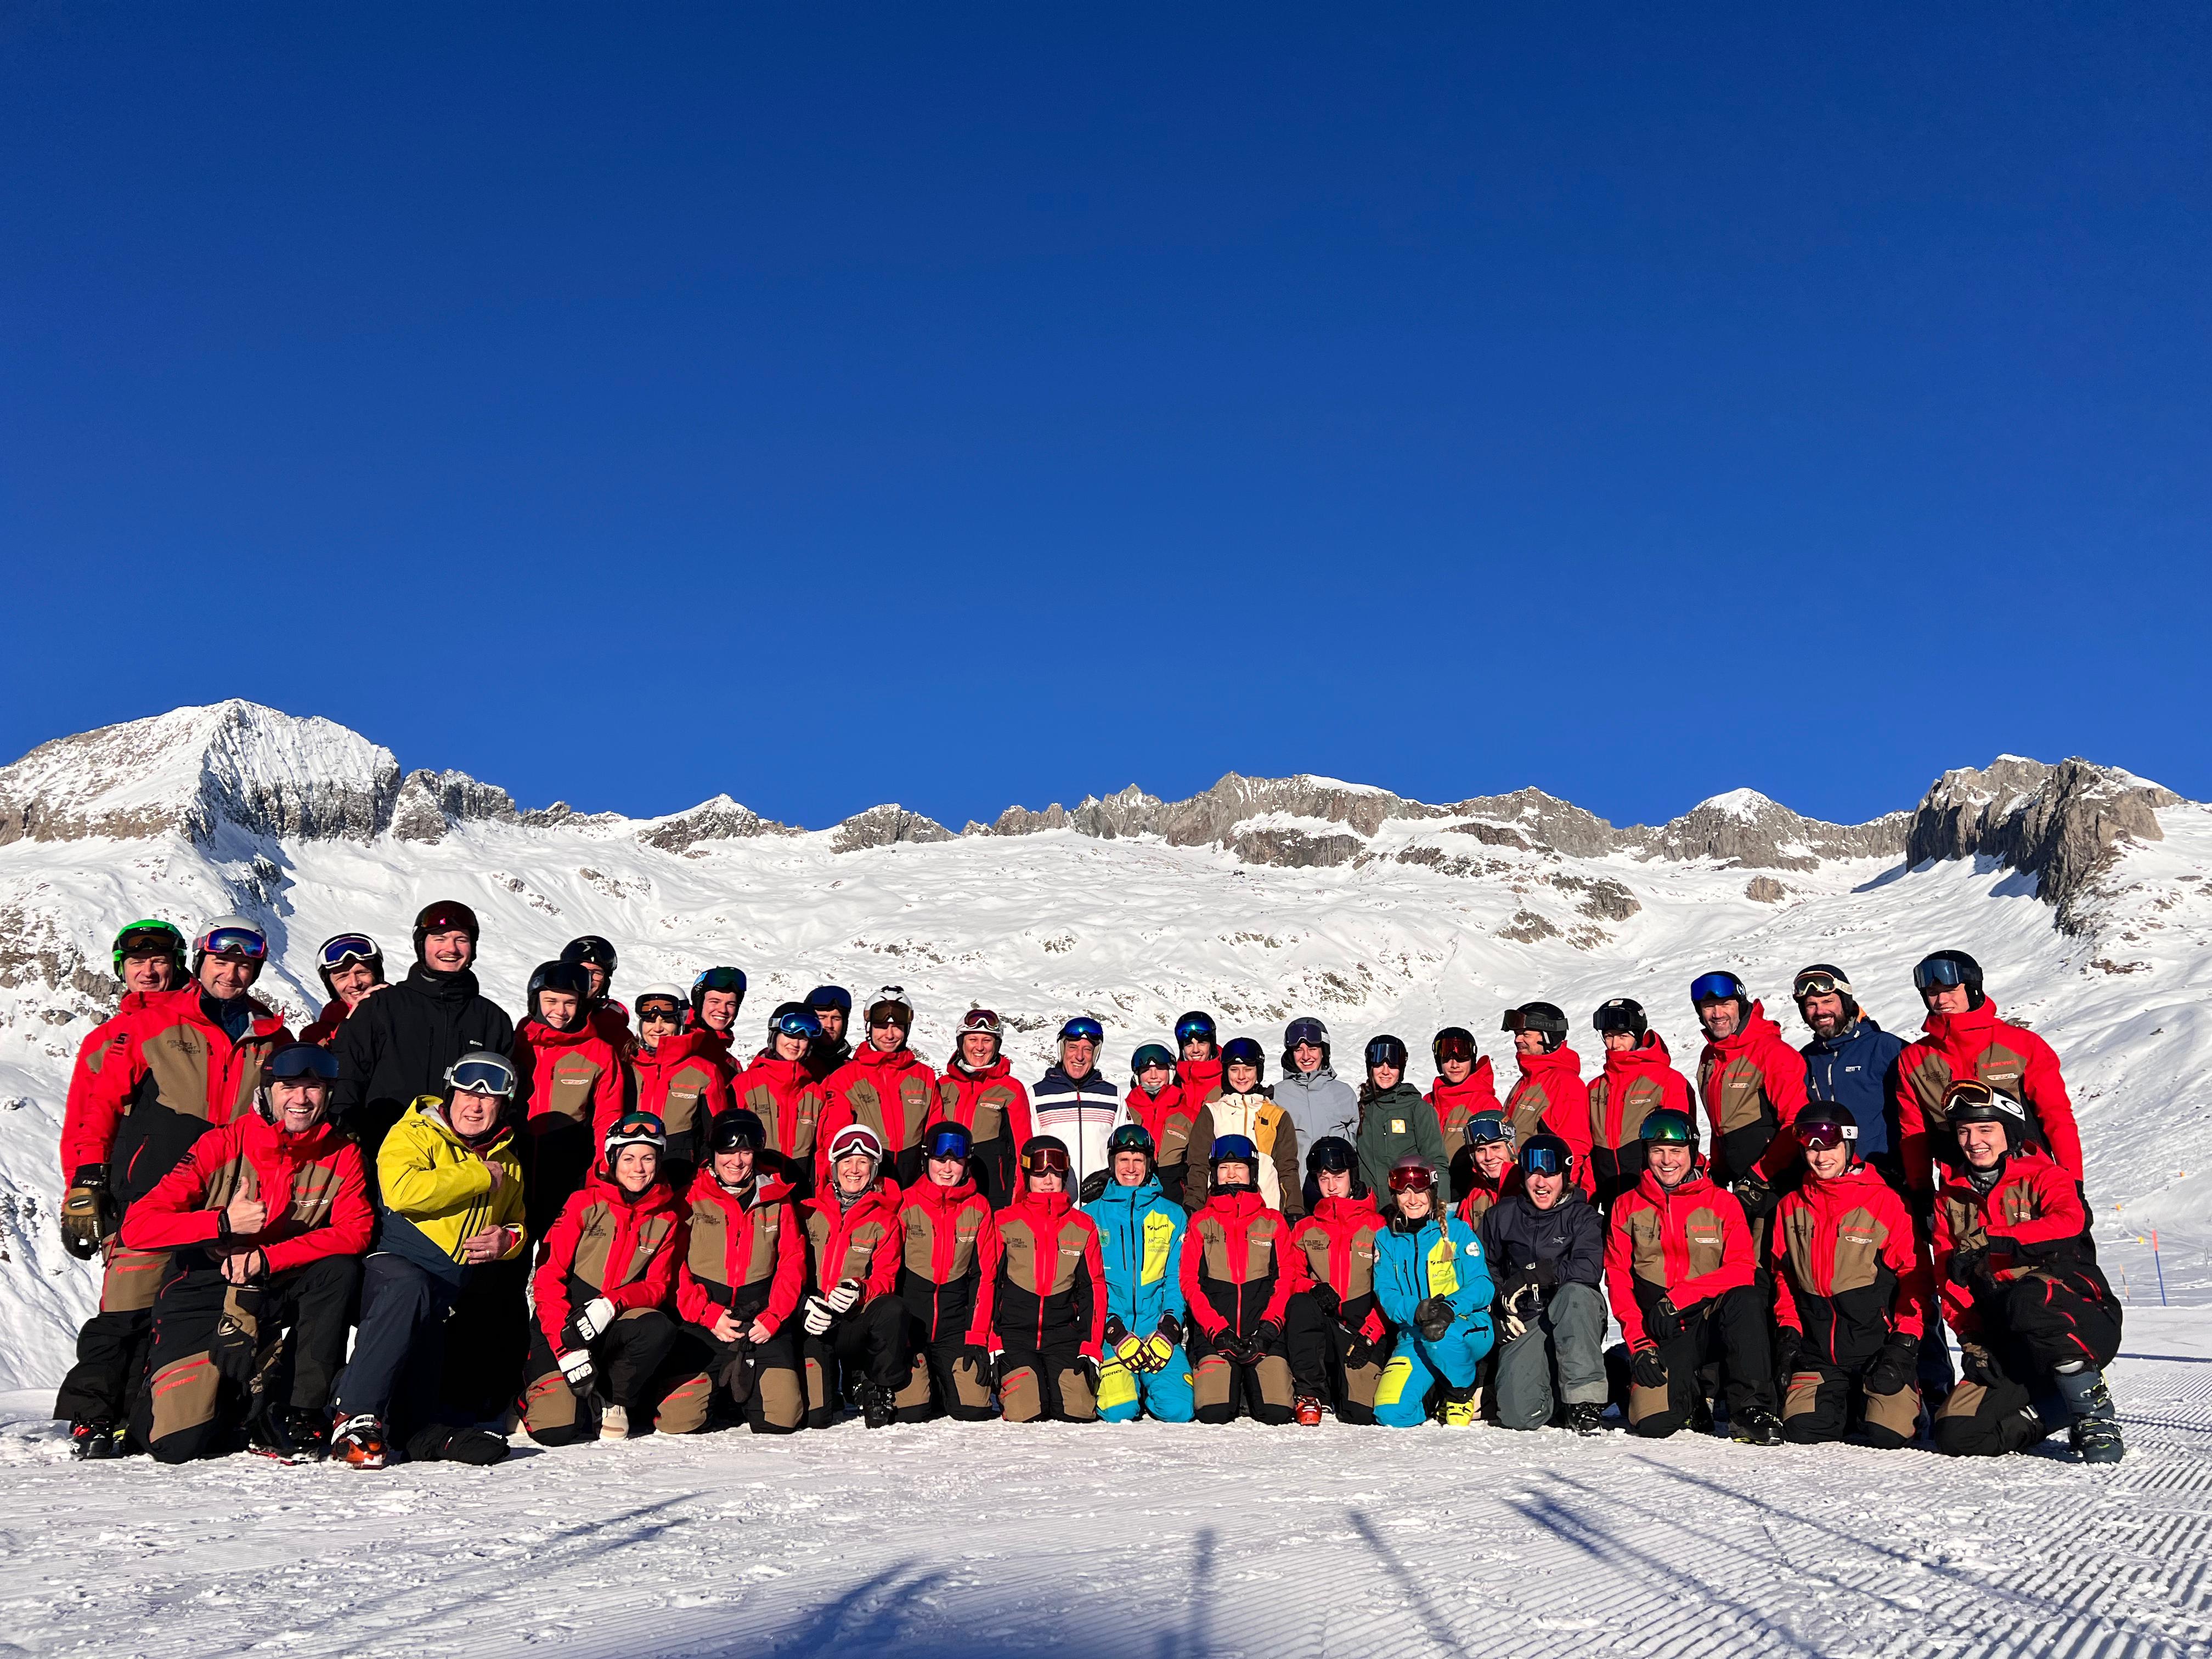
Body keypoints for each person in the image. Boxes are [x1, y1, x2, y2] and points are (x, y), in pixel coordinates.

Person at [54, 916, 291, 1457]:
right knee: (127, 1311)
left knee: (202, 1313)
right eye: (221, 961)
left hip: (229, 1203)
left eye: (244, 965)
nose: (231, 974)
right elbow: (100, 1108)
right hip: (151, 1196)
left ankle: (158, 1419)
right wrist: (86, 1182)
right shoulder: (149, 1025)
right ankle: (95, 1416)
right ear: (201, 962)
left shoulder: (271, 1037)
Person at [121, 1043, 371, 1464]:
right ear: (268, 1092)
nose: (301, 1098)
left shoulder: (342, 1154)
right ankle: (177, 1393)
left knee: (339, 1272)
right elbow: (138, 1227)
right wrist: (221, 1223)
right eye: (288, 1086)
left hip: (275, 1282)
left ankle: (297, 1410)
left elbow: (356, 1231)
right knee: (177, 1445)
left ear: (328, 1094)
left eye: (313, 1088)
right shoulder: (220, 1144)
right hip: (205, 1286)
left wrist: (268, 1258)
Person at [328, 1049, 527, 1469]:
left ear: (503, 1105)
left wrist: (507, 1240)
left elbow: (517, 1223)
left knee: (414, 1406)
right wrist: (478, 1175)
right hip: (393, 1265)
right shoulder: (414, 1133)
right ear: (450, 1094)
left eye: (488, 1099)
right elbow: (402, 1191)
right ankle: (353, 1416)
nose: (475, 1106)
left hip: (445, 1290)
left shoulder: (507, 1162)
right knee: (408, 1287)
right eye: (466, 1095)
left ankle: (408, 1430)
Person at [1929, 1081, 2121, 1463]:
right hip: (2008, 1333)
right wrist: (1971, 1337)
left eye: (1986, 1129)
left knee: (2028, 1298)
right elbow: (1948, 1278)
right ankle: (2060, 1407)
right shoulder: (1949, 1197)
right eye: (1964, 1131)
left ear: (2009, 1131)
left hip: (2078, 1318)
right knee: (1958, 1433)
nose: (1974, 1141)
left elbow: (2070, 1222)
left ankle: (2094, 1417)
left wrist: (1993, 1240)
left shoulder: (2045, 1176)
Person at [1605, 1108, 1781, 1444]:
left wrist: (1680, 1298)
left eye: (1676, 1151)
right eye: (1657, 1151)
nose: (1666, 1161)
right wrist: (1639, 1343)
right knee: (1653, 1424)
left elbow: (1743, 1268)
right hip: (1660, 1330)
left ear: (1693, 1151)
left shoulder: (1722, 1203)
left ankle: (1750, 1410)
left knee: (1747, 1298)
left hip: (1709, 1321)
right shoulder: (1626, 1206)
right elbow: (1618, 1279)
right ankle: (1629, 1364)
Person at [1769, 1104, 1930, 1449]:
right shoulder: (1790, 1207)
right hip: (1819, 1352)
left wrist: (1904, 1343)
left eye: (1830, 1147)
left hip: (1878, 1352)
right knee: (1803, 1430)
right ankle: (1847, 1402)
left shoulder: (1885, 1201)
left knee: (1887, 1435)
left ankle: (1897, 1399)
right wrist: (1788, 1332)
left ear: (1849, 1145)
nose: (1820, 1157)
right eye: (1811, 1148)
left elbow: (1916, 1277)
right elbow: (1784, 1276)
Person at [521, 1111, 686, 1445]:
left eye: (648, 1158)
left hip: (613, 1323)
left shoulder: (668, 1217)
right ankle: (526, 1399)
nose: (638, 1168)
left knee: (658, 1327)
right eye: (628, 1158)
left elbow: (659, 1286)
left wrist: (613, 1302)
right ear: (613, 1160)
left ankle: (613, 1399)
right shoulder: (583, 1203)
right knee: (555, 1429)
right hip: (564, 1324)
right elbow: (548, 1278)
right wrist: (565, 1348)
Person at [333, 900, 515, 1167]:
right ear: (422, 945)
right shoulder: (382, 1007)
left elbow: (505, 1097)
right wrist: (343, 1131)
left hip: (461, 1164)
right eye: (439, 939)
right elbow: (349, 1075)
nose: (451, 949)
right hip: (384, 1154)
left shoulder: (492, 1019)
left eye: (461, 940)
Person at [663, 1108, 807, 1437]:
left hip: (760, 1321)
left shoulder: (776, 1199)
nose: (736, 1161)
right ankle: (720, 1389)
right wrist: (706, 1314)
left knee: (782, 1418)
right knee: (678, 1420)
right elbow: (674, 1264)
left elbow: (792, 1262)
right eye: (727, 1152)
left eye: (745, 1152)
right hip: (706, 1321)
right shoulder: (691, 1197)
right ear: (713, 1152)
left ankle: (744, 1389)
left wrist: (775, 1316)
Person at [1896, 950, 2084, 1198]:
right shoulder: (1914, 1059)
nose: (1941, 1000)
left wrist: (2073, 1183)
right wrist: (1921, 1191)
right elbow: (1914, 1133)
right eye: (1932, 992)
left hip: (2030, 1185)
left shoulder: (2022, 1045)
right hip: (1960, 1191)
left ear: (1972, 988)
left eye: (1951, 990)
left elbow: (2056, 1117)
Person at [56, 921, 184, 1280]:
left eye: (158, 961)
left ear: (176, 965)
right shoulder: (103, 1041)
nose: (147, 971)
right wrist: (78, 1193)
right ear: (121, 969)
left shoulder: (202, 1025)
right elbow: (83, 1122)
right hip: (127, 1196)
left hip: (205, 1192)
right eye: (136, 962)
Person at [1482, 1133, 1609, 1434]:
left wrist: (1536, 1274)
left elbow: (1589, 1268)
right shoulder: (1501, 1216)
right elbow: (1484, 1267)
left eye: (1550, 1174)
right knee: (1519, 1416)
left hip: (1575, 1314)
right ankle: (1561, 1386)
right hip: (1526, 1317)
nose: (1541, 1183)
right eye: (1533, 1174)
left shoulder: (1583, 1216)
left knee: (1575, 1293)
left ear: (1565, 1175)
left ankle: (1584, 1402)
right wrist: (1498, 1307)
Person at [1180, 1135, 1304, 1425]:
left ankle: (1250, 1384)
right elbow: (1189, 1282)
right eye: (1224, 1168)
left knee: (1276, 1413)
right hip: (1217, 1335)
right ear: (1214, 1173)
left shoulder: (1273, 1221)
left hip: (1263, 1334)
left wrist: (1268, 1330)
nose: (1232, 1174)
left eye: (1239, 1167)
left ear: (1253, 1172)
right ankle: (1234, 1381)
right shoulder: (1201, 1222)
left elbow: (1287, 1278)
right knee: (1214, 1413)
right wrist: (1216, 1331)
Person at [991, 1136, 1109, 1424]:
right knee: (1026, 1410)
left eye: (1056, 1173)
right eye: (1039, 1172)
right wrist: (993, 1340)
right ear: (1027, 1175)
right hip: (1016, 1335)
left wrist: (1090, 1347)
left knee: (1078, 1410)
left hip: (1062, 1337)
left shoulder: (1082, 1225)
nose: (1048, 1180)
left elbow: (1094, 1289)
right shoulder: (1005, 1221)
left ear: (1064, 1176)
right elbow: (988, 1284)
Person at [797, 1122, 907, 1429]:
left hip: (854, 1321)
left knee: (893, 1309)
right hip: (814, 1320)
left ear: (874, 1169)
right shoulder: (808, 1212)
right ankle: (833, 1381)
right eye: (847, 1161)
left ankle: (876, 1383)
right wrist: (803, 1303)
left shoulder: (885, 1221)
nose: (854, 1170)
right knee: (817, 1416)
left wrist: (861, 1290)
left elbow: (887, 1277)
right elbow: (786, 1267)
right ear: (834, 1167)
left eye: (863, 1162)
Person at [1085, 1123, 1197, 1424]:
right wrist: (1113, 1331)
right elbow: (1088, 1286)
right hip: (1112, 1332)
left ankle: (1149, 1383)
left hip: (1155, 1330)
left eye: (1138, 1160)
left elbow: (1174, 1279)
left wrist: (1169, 1327)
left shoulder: (1172, 1214)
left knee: (1178, 1411)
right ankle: (1130, 1385)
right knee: (1119, 1412)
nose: (1131, 1168)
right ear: (1112, 1163)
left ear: (1149, 1164)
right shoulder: (1090, 1215)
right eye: (1124, 1159)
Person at [1371, 1156, 1494, 1428]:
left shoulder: (1457, 1231)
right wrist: (1416, 1310)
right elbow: (1386, 1291)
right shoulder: (1385, 1239)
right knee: (1391, 1414)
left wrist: (1450, 1307)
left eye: (1419, 1191)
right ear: (1395, 1197)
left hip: (1464, 1326)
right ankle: (1436, 1394)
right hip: (1414, 1334)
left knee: (1440, 1335)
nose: (1412, 1200)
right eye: (1404, 1193)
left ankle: (1461, 1393)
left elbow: (1482, 1285)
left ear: (1432, 1193)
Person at [889, 1122, 1000, 1424]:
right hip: (913, 1329)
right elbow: (889, 1272)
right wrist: (894, 1338)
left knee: (973, 1409)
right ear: (926, 1159)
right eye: (940, 1160)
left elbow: (985, 1277)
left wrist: (977, 1337)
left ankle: (942, 1380)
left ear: (967, 1163)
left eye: (957, 1161)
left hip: (954, 1328)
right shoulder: (906, 1203)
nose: (948, 1169)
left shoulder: (979, 1207)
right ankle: (931, 1382)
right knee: (912, 1412)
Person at [513, 960, 627, 1239]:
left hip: (567, 1168)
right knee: (510, 1251)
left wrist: (603, 1169)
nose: (560, 1011)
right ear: (535, 1000)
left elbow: (608, 1116)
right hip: (515, 1163)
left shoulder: (599, 1053)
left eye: (570, 1003)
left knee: (559, 1250)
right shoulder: (518, 1043)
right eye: (551, 1001)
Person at [1689, 971, 1808, 1226]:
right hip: (1739, 1184)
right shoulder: (1710, 1057)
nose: (1717, 1014)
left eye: (1726, 1004)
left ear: (1741, 1005)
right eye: (1708, 1006)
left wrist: (1759, 1175)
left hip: (1776, 1183)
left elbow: (1797, 1123)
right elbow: (1720, 1125)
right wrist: (1718, 1170)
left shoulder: (1773, 1053)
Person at [1286, 1137, 1389, 1426]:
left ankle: (1340, 1386)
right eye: (1324, 1178)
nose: (1331, 1186)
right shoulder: (1306, 1228)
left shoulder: (1378, 1226)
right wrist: (1313, 1287)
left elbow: (1392, 1287)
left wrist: (1371, 1333)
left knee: (1360, 1414)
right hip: (1325, 1323)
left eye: (1338, 1177)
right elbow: (1290, 1275)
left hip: (1363, 1329)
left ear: (1352, 1177)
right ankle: (1311, 1394)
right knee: (1301, 1304)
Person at [1793, 966, 1906, 1188]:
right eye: (1811, 1005)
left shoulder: (1885, 1048)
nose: (1820, 1011)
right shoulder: (1806, 1058)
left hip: (1885, 1179)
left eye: (1828, 1001)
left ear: (1845, 1002)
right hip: (1828, 1180)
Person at [819, 986, 936, 1191]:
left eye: (897, 1027)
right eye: (881, 1027)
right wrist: (834, 1182)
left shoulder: (924, 1076)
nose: (889, 1035)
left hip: (915, 1185)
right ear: (869, 1028)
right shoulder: (845, 1078)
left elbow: (935, 1131)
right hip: (867, 1184)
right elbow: (833, 1138)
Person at [1585, 999, 1694, 1210]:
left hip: (1653, 1201)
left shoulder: (1667, 1081)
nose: (1614, 1045)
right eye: (1608, 1036)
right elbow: (1589, 1152)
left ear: (1638, 1037)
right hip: (1610, 1202)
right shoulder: (1595, 1088)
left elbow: (1681, 1147)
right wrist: (1587, 1200)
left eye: (1623, 1036)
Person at [630, 981, 733, 1187]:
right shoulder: (627, 1066)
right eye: (650, 1020)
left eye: (667, 1021)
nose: (657, 1028)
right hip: (631, 1173)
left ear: (681, 1023)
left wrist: (705, 1176)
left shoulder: (704, 1072)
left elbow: (714, 1135)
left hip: (680, 1174)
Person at [1184, 1037, 1301, 1218]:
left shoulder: (1277, 1116)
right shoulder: (1212, 1113)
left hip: (1267, 1213)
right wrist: (1193, 1206)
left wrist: (1294, 1210)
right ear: (1226, 1072)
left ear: (1258, 1071)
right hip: (1218, 1214)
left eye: (1248, 1069)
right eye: (1234, 1070)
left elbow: (1287, 1169)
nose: (1241, 1076)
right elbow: (1199, 1166)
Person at [934, 1007, 1035, 1206]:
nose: (979, 1047)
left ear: (996, 1045)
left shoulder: (1011, 1089)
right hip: (946, 1189)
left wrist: (1017, 1199)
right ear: (961, 1043)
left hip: (993, 1192)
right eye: (973, 1040)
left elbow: (1021, 1148)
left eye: (987, 1040)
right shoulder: (942, 1086)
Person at [1500, 1003, 1594, 1193]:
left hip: (1541, 1192)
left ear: (1548, 1037)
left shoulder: (1564, 1082)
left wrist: (1563, 1197)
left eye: (1525, 1034)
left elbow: (1574, 1149)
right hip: (1518, 1189)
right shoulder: (1526, 1080)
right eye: (1517, 1034)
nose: (1517, 1040)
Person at [1033, 1015, 1129, 1200]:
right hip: (1054, 1202)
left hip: (1101, 1203)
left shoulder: (1112, 1096)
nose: (1079, 1056)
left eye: (1087, 1050)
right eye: (1073, 1048)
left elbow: (1123, 1151)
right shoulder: (1038, 1095)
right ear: (1063, 1050)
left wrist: (1109, 1176)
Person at [737, 1006, 829, 1199]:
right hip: (756, 1194)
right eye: (789, 1035)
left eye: (803, 1038)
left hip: (802, 1195)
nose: (795, 1043)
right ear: (774, 1036)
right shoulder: (744, 1085)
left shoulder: (816, 1093)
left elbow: (822, 1153)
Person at [1353, 1034, 1450, 1212]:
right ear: (1370, 1067)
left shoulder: (1418, 1109)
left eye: (1393, 1066)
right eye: (1379, 1065)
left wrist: (1441, 1210)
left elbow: (1437, 1163)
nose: (1386, 1071)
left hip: (1409, 1210)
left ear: (1401, 1070)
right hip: (1370, 1213)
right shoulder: (1360, 1110)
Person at [1161, 1012, 1224, 1204]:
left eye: (1202, 1043)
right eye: (1189, 1044)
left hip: (1219, 1171)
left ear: (1211, 1043)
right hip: (1179, 1178)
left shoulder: (1227, 1079)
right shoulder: (1173, 1081)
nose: (1195, 1050)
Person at [1123, 1042, 1193, 1202]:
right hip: (1132, 1195)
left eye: (1160, 1069)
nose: (1153, 1076)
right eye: (1146, 1070)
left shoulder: (1188, 1116)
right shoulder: (1125, 1111)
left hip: (1174, 1198)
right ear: (1137, 1075)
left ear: (1171, 1072)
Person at [1274, 1016, 1359, 1144]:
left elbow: (1356, 1143)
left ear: (1324, 1052)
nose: (1306, 1057)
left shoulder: (1345, 1093)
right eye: (1299, 1050)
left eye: (1312, 1049)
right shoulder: (1277, 1096)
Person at [299, 932, 385, 1047]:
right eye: (343, 977)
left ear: (377, 974)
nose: (355, 983)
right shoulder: (317, 1037)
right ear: (331, 985)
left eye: (362, 972)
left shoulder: (404, 1008)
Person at [1425, 1026, 1501, 1145]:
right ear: (1439, 1062)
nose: (1454, 1065)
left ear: (1472, 1060)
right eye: (1447, 1059)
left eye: (1462, 1059)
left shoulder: (1486, 1104)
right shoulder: (1428, 1101)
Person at [560, 934, 629, 1048]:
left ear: (605, 982)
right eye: (581, 971)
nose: (589, 978)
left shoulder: (614, 1023)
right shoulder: (546, 1013)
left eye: (597, 973)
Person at [1452, 1111, 1520, 1223]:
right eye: (1481, 1150)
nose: (1489, 1157)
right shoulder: (1476, 1192)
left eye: (1496, 1148)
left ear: (1511, 1148)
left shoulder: (1530, 1184)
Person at [687, 967, 748, 1082]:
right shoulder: (676, 1046)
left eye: (731, 1004)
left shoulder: (731, 1066)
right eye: (715, 1002)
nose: (723, 1010)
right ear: (699, 1003)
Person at [801, 984, 855, 1084]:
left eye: (836, 1018)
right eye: (822, 1018)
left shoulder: (854, 1071)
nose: (829, 1025)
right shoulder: (795, 1065)